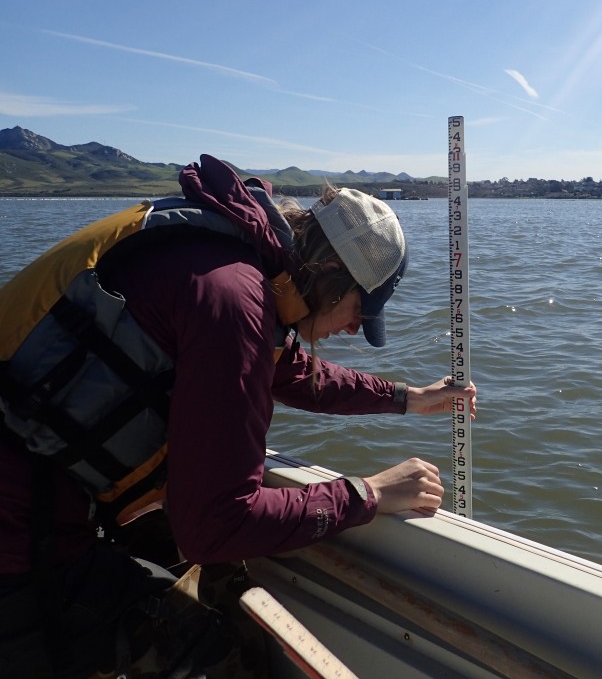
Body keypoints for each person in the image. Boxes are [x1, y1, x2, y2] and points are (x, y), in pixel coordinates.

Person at [0, 153, 476, 677]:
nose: (349, 332)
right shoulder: (234, 300)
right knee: (215, 657)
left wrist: (406, 397)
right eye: (357, 313)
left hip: (40, 490)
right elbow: (218, 526)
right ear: (333, 275)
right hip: (20, 540)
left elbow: (282, 368)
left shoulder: (227, 254)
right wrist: (369, 494)